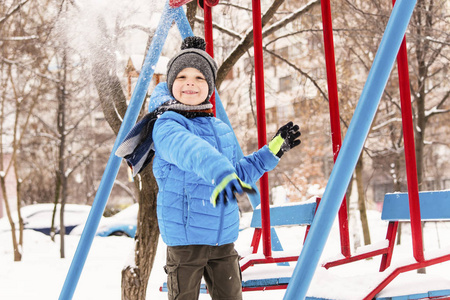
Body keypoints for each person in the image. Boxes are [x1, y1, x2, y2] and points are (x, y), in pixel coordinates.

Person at [116, 36, 301, 300]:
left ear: (210, 86)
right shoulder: (167, 124)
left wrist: (271, 151)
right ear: (170, 84)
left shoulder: (220, 128)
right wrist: (218, 168)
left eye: (199, 78)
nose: (190, 82)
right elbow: (189, 150)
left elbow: (236, 174)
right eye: (181, 77)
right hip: (186, 242)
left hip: (223, 239)